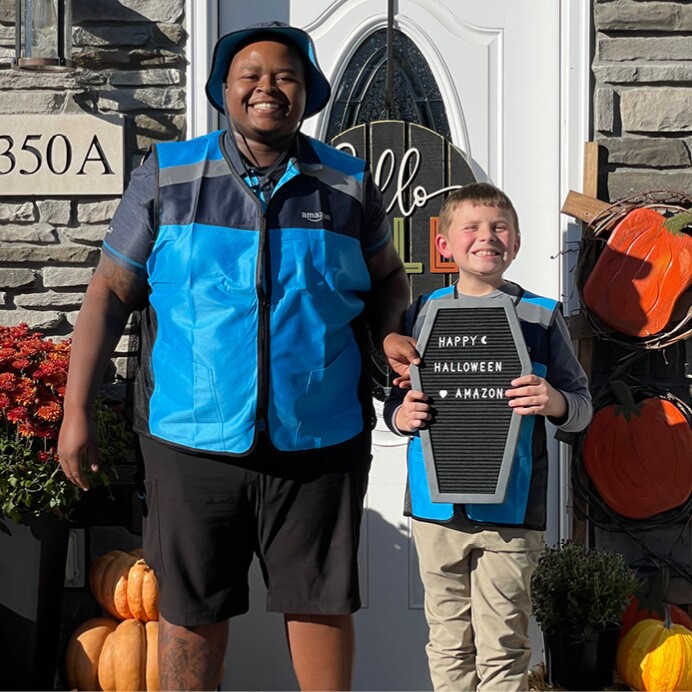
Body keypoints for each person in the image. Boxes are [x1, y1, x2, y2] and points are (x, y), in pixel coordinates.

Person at [58, 21, 413, 691]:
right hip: (190, 440)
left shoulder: (347, 184)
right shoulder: (168, 175)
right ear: (224, 90)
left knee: (321, 601)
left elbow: (388, 278)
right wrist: (76, 409)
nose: (267, 88)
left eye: (285, 76)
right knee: (191, 610)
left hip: (320, 439)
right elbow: (109, 290)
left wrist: (392, 329)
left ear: (306, 93)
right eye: (249, 75)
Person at [383, 183, 592, 691]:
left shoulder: (540, 316)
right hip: (435, 511)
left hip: (512, 516)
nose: (486, 237)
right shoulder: (419, 315)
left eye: (499, 227)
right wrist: (398, 417)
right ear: (445, 245)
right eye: (471, 227)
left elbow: (582, 406)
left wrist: (555, 402)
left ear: (516, 243)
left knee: (503, 647)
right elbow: (396, 397)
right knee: (448, 641)